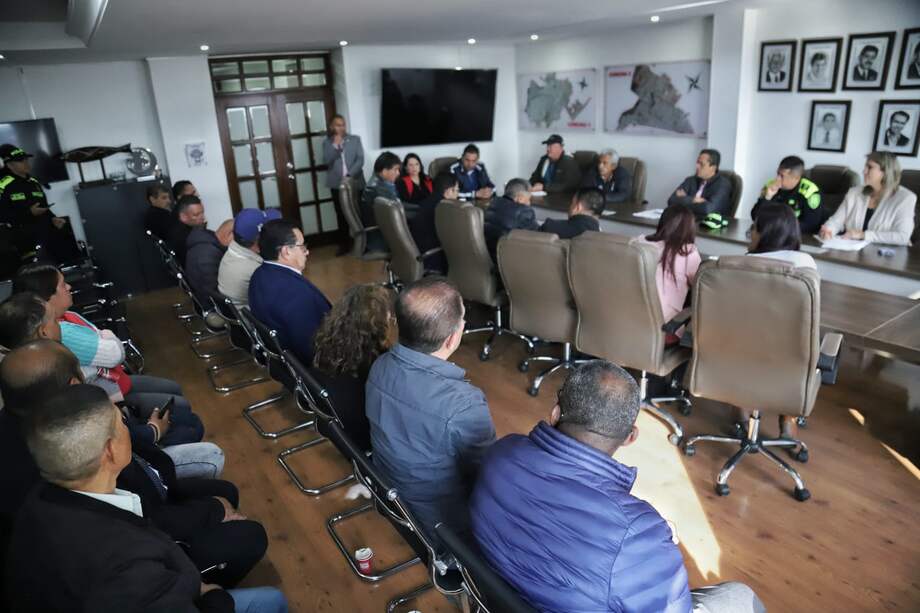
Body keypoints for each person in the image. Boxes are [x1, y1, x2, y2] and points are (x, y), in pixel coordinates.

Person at [470, 361, 765, 613]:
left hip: (494, 599)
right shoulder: (636, 535)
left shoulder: (502, 453)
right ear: (630, 437)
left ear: (556, 413)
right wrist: (649, 538)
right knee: (738, 596)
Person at [7, 383, 287, 612]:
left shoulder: (38, 498)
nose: (128, 427)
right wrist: (213, 595)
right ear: (110, 451)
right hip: (185, 593)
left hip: (171, 580)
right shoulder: (128, 567)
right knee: (272, 601)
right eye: (121, 423)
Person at [12, 264, 208, 449]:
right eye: (63, 285)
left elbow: (109, 347)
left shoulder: (66, 317)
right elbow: (115, 353)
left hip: (115, 383)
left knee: (174, 391)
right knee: (188, 417)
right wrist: (105, 335)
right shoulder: (64, 332)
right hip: (111, 398)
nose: (69, 287)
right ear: (46, 298)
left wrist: (104, 338)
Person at [366, 277, 495, 547]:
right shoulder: (463, 404)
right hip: (441, 525)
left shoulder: (380, 365)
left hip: (393, 497)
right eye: (462, 320)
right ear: (452, 338)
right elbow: (487, 476)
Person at [313, 284, 396, 452]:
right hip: (363, 437)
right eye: (389, 318)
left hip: (338, 426)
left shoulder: (326, 342)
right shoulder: (379, 363)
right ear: (379, 324)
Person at [248, 219, 331, 366]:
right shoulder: (296, 294)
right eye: (302, 247)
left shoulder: (258, 276)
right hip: (312, 367)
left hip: (282, 360)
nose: (307, 252)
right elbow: (311, 350)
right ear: (286, 252)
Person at [0, 143, 79, 264]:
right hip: (24, 241)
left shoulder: (34, 182)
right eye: (20, 160)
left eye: (26, 159)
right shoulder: (3, 184)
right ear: (9, 164)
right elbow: (3, 216)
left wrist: (54, 218)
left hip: (47, 233)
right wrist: (29, 213)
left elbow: (43, 207)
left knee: (71, 258)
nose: (26, 163)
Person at [819, 152, 917, 246]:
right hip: (852, 251)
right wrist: (828, 230)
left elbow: (902, 236)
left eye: (870, 167)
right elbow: (836, 221)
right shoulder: (854, 193)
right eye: (865, 167)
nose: (864, 171)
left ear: (886, 172)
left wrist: (863, 235)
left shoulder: (905, 198)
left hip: (888, 254)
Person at [637, 204, 701, 332]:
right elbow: (700, 287)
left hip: (628, 320)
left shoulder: (639, 242)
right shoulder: (687, 253)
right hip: (664, 327)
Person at [217, 207, 281, 305]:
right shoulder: (256, 270)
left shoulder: (232, 252)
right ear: (259, 238)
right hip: (251, 312)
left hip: (235, 309)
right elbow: (279, 297)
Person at [751, 156, 824, 235]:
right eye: (777, 174)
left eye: (782, 176)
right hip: (773, 233)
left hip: (799, 235)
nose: (777, 179)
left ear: (796, 178)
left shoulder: (810, 191)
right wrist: (767, 197)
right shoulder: (771, 185)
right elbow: (755, 217)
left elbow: (811, 224)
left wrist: (780, 228)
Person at [185, 218, 234, 329]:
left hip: (204, 300)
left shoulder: (204, 244)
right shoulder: (207, 257)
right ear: (229, 234)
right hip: (214, 310)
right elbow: (214, 293)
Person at [409, 172, 458, 273]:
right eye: (457, 190)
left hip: (418, 253)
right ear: (449, 191)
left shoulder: (425, 202)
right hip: (433, 258)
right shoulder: (445, 209)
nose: (458, 194)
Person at [667, 149, 732, 224]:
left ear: (713, 168)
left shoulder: (723, 185)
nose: (697, 166)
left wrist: (683, 199)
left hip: (708, 226)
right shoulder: (690, 180)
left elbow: (707, 209)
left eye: (701, 164)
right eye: (697, 162)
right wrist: (694, 200)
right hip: (687, 223)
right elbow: (671, 201)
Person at [484, 178, 539, 259]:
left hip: (489, 256)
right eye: (528, 199)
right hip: (508, 260)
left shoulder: (493, 203)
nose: (529, 203)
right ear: (520, 198)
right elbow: (538, 236)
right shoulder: (524, 211)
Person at [361, 151, 404, 252]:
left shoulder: (379, 182)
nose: (398, 173)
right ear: (384, 171)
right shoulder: (378, 189)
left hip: (383, 231)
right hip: (382, 238)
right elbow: (398, 210)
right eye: (395, 169)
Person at [323, 114, 365, 208]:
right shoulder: (327, 143)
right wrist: (335, 146)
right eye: (338, 125)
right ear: (331, 127)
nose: (342, 128)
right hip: (336, 184)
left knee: (359, 210)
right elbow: (327, 161)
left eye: (343, 125)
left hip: (356, 181)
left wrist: (348, 175)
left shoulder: (355, 139)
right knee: (341, 212)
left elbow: (360, 160)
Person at [167, 194, 207, 264]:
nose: (203, 217)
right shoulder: (186, 238)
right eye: (196, 215)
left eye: (202, 213)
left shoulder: (182, 228)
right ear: (183, 217)